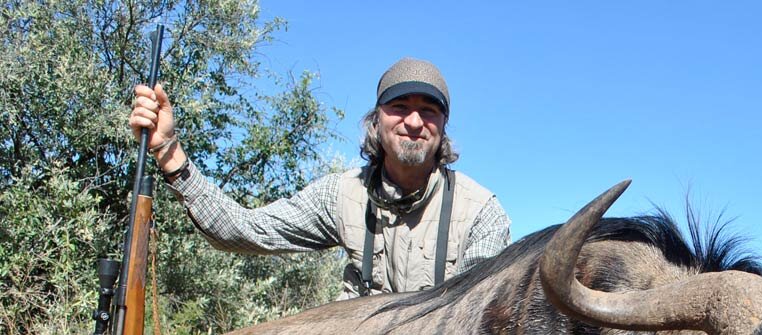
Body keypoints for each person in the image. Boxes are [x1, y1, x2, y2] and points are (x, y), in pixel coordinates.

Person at [129, 57, 511, 298]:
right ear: (377, 119)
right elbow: (246, 230)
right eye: (399, 107)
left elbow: (476, 323)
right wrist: (170, 152)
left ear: (443, 125)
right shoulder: (341, 194)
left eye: (428, 110)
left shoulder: (481, 212)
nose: (413, 121)